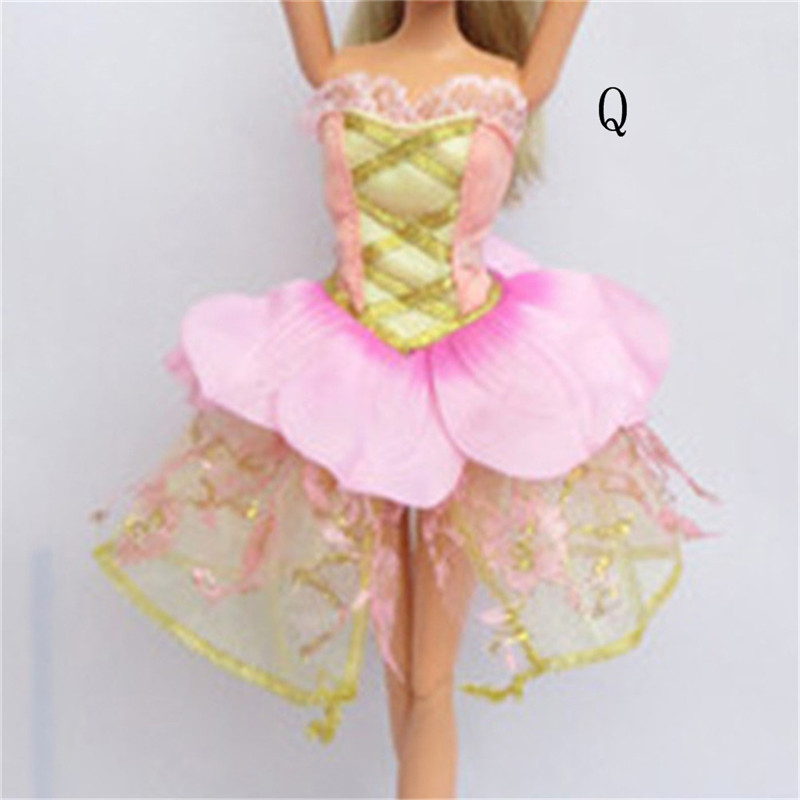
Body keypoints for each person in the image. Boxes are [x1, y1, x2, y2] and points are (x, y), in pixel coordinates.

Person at [91, 2, 719, 797]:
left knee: (428, 670)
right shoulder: (341, 73)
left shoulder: (509, 83)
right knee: (401, 660)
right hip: (355, 373)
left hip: (472, 378)